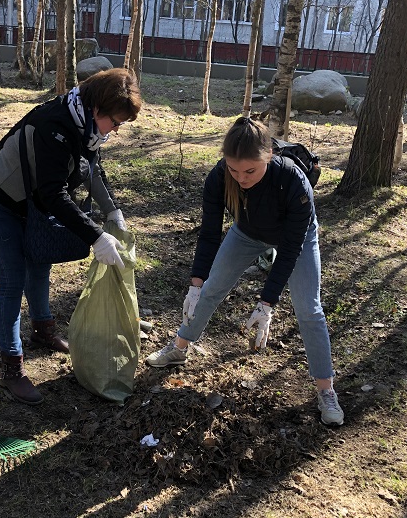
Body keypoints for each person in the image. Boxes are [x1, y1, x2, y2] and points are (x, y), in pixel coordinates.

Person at [145, 116, 344, 426]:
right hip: (247, 233)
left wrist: (267, 303)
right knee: (212, 289)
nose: (241, 178)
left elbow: (289, 251)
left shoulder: (292, 180)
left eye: (250, 170)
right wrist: (195, 285)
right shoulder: (218, 177)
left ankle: (326, 389)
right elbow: (209, 234)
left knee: (309, 309)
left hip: (298, 238)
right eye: (234, 170)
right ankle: (180, 347)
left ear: (268, 156)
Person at [0, 68, 142, 406]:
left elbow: (91, 169)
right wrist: (96, 237)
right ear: (97, 109)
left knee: (40, 261)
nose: (117, 130)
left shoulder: (88, 128)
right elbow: (53, 195)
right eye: (116, 122)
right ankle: (11, 368)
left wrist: (112, 210)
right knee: (11, 280)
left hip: (27, 202)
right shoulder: (55, 125)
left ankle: (42, 329)